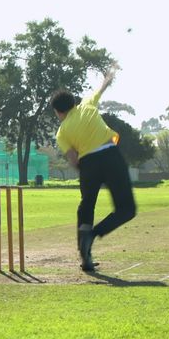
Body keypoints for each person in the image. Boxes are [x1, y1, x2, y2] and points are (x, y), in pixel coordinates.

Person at [51, 65, 137, 272]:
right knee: (126, 209)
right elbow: (102, 87)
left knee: (86, 205)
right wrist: (110, 74)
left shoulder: (62, 132)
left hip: (88, 164)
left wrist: (89, 176)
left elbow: (73, 159)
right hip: (110, 155)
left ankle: (85, 257)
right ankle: (94, 234)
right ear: (73, 103)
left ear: (58, 112)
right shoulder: (87, 105)